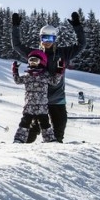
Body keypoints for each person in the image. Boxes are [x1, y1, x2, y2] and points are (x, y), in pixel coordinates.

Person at [11, 11, 86, 142]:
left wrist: (77, 26)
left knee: (58, 133)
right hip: (39, 101)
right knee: (31, 132)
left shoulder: (63, 53)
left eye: (49, 39)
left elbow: (81, 45)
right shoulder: (35, 54)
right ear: (40, 39)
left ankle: (53, 157)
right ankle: (23, 154)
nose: (46, 42)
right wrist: (15, 27)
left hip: (57, 99)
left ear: (55, 39)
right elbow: (17, 46)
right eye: (43, 38)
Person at [11, 49, 63, 143]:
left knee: (45, 124)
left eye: (35, 60)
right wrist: (15, 70)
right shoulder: (27, 75)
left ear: (41, 62)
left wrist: (59, 70)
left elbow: (54, 81)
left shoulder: (45, 75)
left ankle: (50, 140)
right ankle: (19, 139)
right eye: (31, 60)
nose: (33, 63)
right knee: (25, 122)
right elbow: (18, 81)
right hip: (29, 106)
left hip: (42, 106)